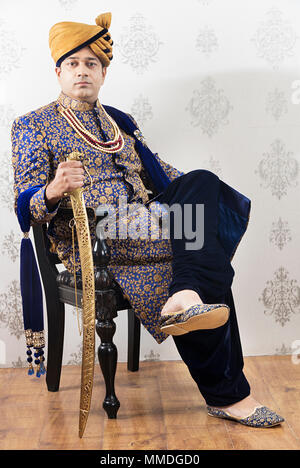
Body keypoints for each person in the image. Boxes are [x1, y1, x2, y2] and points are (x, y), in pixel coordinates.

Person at [11, 12, 284, 428]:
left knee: (202, 188)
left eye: (91, 64)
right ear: (58, 71)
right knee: (201, 241)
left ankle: (186, 297)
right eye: (73, 63)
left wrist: (201, 191)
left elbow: (159, 173)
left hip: (147, 219)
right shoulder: (33, 125)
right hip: (96, 233)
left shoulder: (120, 121)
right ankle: (227, 392)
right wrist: (52, 189)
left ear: (103, 73)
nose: (82, 71)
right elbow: (26, 204)